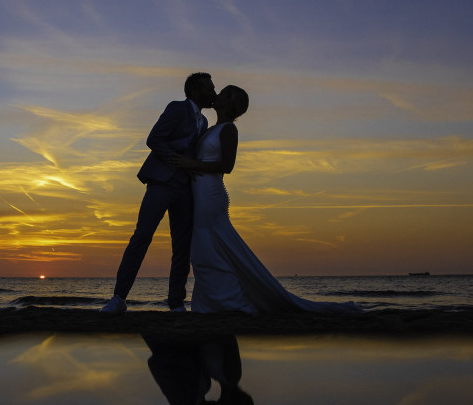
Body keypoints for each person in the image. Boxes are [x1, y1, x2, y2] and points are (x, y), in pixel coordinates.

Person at [175, 85, 362, 314]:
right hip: (198, 194)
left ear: (231, 104)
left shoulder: (228, 130)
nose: (218, 95)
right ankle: (212, 302)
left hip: (211, 195)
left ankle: (228, 303)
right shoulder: (210, 128)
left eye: (225, 94)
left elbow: (227, 166)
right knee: (204, 249)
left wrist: (192, 165)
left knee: (207, 247)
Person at [100, 72, 217, 313]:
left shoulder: (204, 122)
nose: (213, 93)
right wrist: (176, 160)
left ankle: (176, 303)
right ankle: (119, 298)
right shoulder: (176, 108)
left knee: (182, 247)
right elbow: (154, 139)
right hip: (161, 181)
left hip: (186, 188)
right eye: (210, 88)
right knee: (142, 236)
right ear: (195, 90)